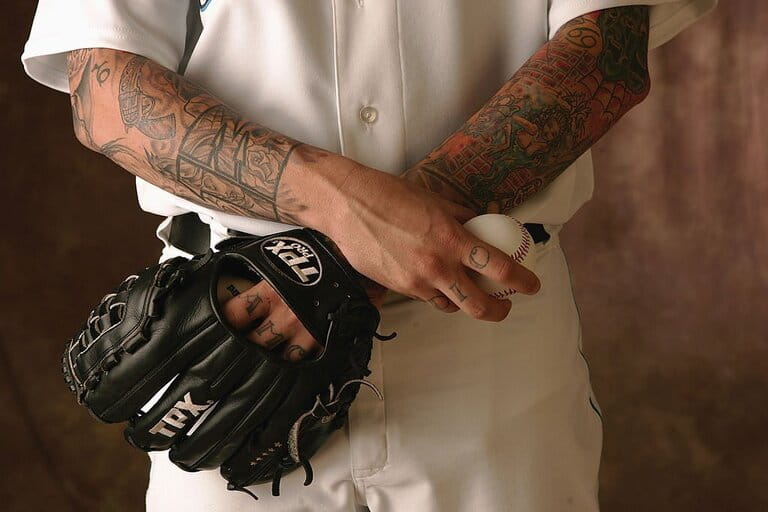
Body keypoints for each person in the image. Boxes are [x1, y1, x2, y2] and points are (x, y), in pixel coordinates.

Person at [22, 1, 716, 510]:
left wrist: (334, 268)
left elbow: (604, 53)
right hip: (231, 345)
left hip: (482, 342)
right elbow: (106, 92)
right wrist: (333, 218)